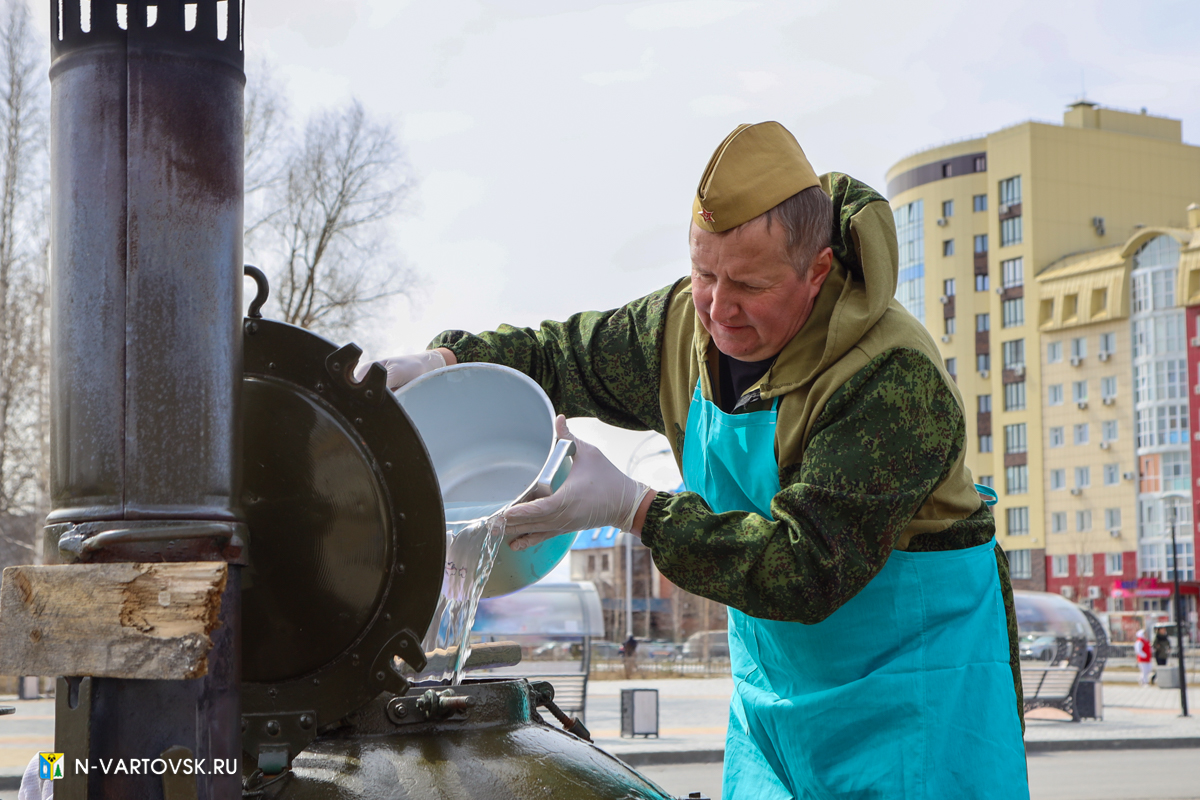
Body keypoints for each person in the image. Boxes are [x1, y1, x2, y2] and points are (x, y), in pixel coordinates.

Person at [366, 122, 1029, 798]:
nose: (718, 307)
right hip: (777, 703)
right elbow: (558, 356)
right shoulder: (681, 328)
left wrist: (636, 509)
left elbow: (809, 570)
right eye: (704, 273)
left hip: (916, 698)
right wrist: (447, 362)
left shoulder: (889, 375)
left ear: (817, 271)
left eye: (749, 284)